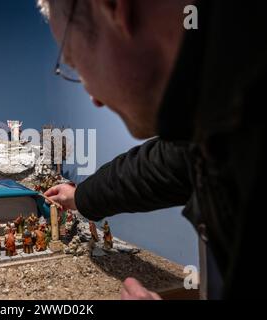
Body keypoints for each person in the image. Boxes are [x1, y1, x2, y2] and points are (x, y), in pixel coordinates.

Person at [39, 0, 267, 299]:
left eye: (77, 66)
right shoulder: (216, 111)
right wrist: (80, 196)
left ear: (114, 9)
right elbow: (161, 165)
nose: (94, 97)